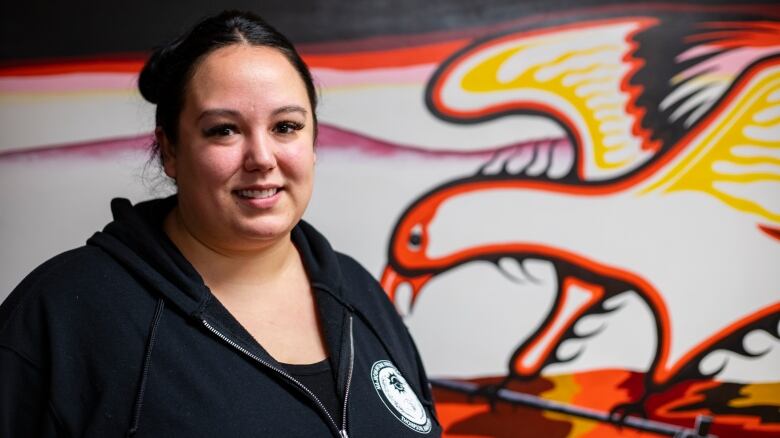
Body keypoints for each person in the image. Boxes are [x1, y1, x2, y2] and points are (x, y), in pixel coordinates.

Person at [0, 10, 440, 437]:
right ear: (170, 150)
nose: (262, 159)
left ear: (313, 143)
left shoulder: (358, 292)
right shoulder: (63, 311)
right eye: (224, 130)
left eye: (286, 127)